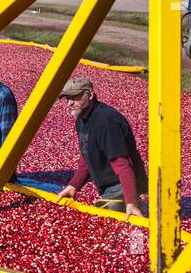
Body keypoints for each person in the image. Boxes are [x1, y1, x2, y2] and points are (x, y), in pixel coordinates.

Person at [54, 77, 147, 217]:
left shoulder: (107, 122)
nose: (70, 103)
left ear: (90, 95)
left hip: (122, 186)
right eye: (67, 98)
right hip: (109, 188)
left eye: (75, 97)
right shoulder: (81, 119)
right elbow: (88, 155)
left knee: (113, 224)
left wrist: (131, 201)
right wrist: (73, 185)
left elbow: (122, 164)